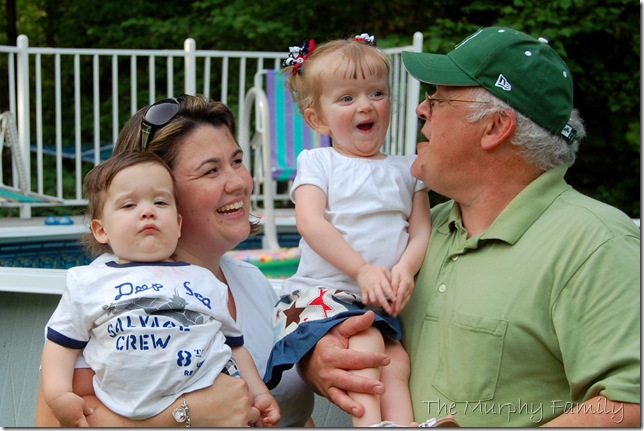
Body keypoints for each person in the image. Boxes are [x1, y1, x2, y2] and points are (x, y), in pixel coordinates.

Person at [297, 26, 640, 427]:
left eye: (439, 99)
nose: (420, 109)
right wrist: (315, 360)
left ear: (495, 127)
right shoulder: (416, 232)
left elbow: (630, 403)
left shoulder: (596, 243)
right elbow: (333, 317)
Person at [35, 95, 314, 427]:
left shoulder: (251, 281)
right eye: (211, 170)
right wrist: (185, 415)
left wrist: (316, 360)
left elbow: (295, 417)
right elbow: (53, 422)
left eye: (237, 161)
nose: (239, 182)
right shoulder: (104, 293)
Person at [261, 34, 431, 427]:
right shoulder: (319, 162)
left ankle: (402, 425)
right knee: (369, 347)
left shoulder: (407, 170)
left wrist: (405, 270)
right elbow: (310, 222)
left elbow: (421, 231)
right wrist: (362, 270)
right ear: (317, 119)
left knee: (397, 362)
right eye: (347, 98)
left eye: (376, 93)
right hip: (318, 297)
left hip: (370, 304)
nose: (365, 105)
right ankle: (368, 425)